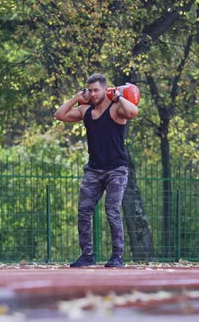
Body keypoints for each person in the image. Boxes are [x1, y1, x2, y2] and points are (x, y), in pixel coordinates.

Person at [54, 73, 139, 268]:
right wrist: (76, 98)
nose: (92, 94)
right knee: (83, 212)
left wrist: (118, 96)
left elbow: (133, 112)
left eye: (96, 90)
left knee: (112, 211)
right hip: (93, 170)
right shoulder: (85, 110)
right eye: (89, 91)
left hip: (116, 169)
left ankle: (117, 257)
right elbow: (59, 115)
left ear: (105, 89)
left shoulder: (117, 108)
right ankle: (87, 255)